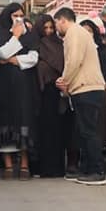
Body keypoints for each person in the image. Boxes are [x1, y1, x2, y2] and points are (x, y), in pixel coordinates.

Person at [53, 7, 106, 185]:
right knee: (84, 132)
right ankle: (86, 169)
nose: (56, 28)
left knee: (89, 132)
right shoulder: (79, 33)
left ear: (62, 20)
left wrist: (64, 80)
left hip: (86, 88)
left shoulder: (73, 33)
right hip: (86, 87)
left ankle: (97, 171)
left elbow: (74, 60)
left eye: (56, 23)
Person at [0, 3, 39, 180]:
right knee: (5, 120)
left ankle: (24, 164)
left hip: (24, 84)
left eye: (21, 15)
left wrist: (13, 59)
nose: (19, 19)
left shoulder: (30, 34)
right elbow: (1, 54)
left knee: (23, 119)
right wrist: (16, 37)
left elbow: (33, 58)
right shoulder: (0, 32)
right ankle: (8, 165)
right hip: (3, 85)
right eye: (15, 15)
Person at [33, 14, 73, 178]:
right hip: (41, 93)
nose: (49, 31)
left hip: (57, 92)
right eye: (45, 28)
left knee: (57, 131)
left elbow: (64, 63)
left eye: (51, 27)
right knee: (42, 131)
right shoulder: (35, 44)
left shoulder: (60, 44)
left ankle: (56, 168)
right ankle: (41, 167)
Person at [78, 13, 106, 152]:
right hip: (81, 92)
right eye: (83, 31)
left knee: (101, 127)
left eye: (89, 31)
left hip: (101, 93)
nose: (87, 34)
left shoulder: (105, 51)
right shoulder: (75, 51)